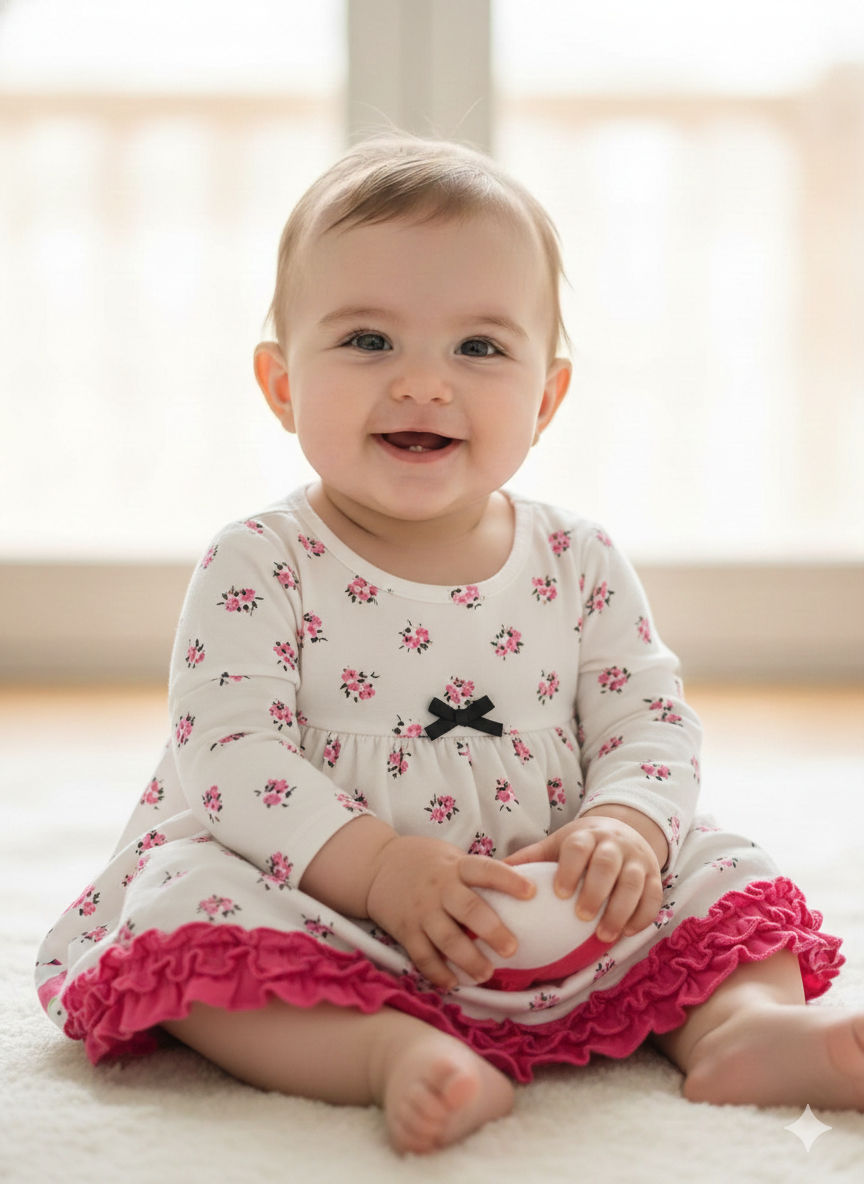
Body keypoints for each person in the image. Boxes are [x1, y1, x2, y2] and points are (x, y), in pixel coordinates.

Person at [36, 132, 858, 1156]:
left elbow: (650, 719)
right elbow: (232, 758)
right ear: (282, 382)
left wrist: (626, 828)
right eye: (369, 340)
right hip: (333, 904)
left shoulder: (578, 556)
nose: (424, 383)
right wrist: (378, 869)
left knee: (717, 863)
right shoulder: (260, 560)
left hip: (560, 888)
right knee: (185, 904)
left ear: (547, 398)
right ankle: (383, 1051)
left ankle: (745, 1030)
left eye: (479, 348)